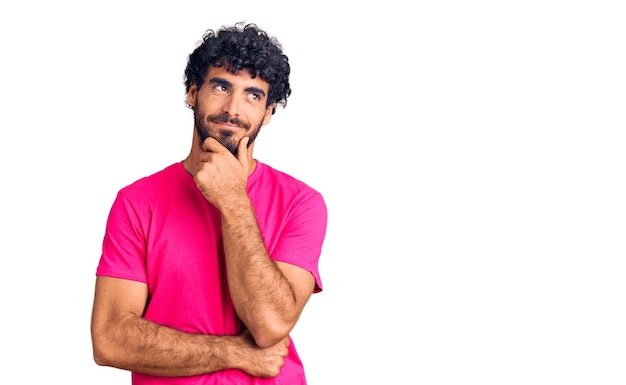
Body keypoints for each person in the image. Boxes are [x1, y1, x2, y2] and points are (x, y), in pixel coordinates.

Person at [90, 22, 328, 385]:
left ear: (267, 113)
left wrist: (233, 198)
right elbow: (109, 339)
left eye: (253, 95)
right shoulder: (136, 202)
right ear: (192, 92)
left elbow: (270, 325)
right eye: (221, 86)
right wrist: (235, 353)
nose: (233, 108)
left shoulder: (301, 203)